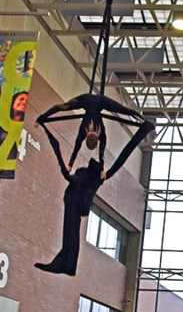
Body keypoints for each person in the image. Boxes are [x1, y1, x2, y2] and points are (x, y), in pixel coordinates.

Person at [35, 118, 154, 275]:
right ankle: (68, 264)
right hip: (81, 196)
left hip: (78, 197)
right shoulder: (93, 177)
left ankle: (67, 264)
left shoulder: (84, 179)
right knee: (72, 231)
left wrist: (45, 125)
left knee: (71, 230)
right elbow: (119, 156)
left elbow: (61, 149)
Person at [36, 93, 144, 170]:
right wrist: (69, 165)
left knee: (61, 107)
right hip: (94, 101)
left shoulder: (101, 135)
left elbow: (100, 153)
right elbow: (77, 149)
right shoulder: (85, 133)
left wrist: (70, 166)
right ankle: (145, 121)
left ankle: (145, 120)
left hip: (88, 100)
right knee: (124, 110)